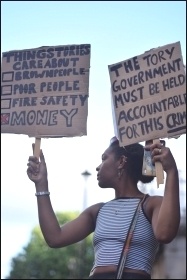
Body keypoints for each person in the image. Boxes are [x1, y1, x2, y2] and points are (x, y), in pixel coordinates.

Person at [27, 136, 180, 279]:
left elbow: (164, 234)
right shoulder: (97, 211)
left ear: (121, 161)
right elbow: (55, 238)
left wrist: (171, 171)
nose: (98, 167)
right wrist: (41, 184)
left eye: (104, 158)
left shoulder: (151, 204)